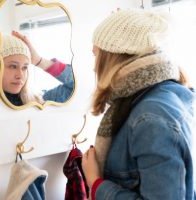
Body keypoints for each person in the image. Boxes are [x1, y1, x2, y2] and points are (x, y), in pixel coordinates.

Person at [81, 9, 195, 200]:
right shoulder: (154, 98)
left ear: (113, 57)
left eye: (96, 55)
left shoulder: (151, 118)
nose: (94, 67)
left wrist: (96, 184)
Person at [0, 32, 74, 106]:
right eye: (13, 66)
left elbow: (79, 85)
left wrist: (39, 61)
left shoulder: (39, 101)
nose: (20, 75)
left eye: (25, 67)